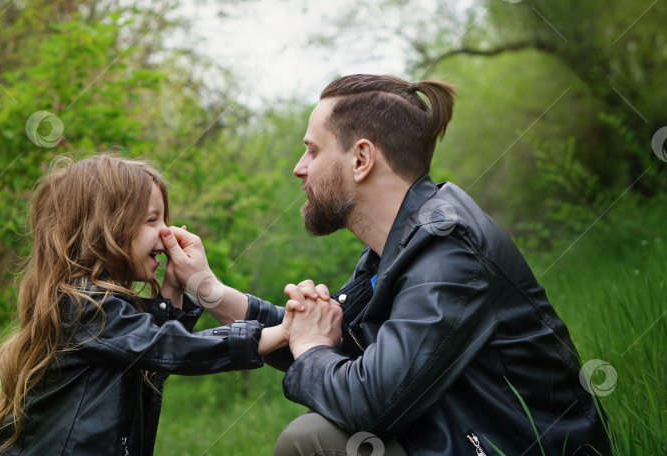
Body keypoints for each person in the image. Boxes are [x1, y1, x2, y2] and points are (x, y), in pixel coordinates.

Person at [162, 74, 612, 455]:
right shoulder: (400, 243)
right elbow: (320, 337)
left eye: (313, 151)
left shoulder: (447, 251)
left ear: (361, 159)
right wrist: (208, 289)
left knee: (312, 441)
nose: (299, 168)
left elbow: (370, 402)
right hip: (454, 438)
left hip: (512, 445)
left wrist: (314, 346)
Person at [0, 154, 300, 456]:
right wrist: (284, 331)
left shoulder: (101, 305)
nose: (166, 232)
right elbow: (172, 348)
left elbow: (153, 358)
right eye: (151, 220)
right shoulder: (83, 305)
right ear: (105, 229)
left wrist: (173, 288)